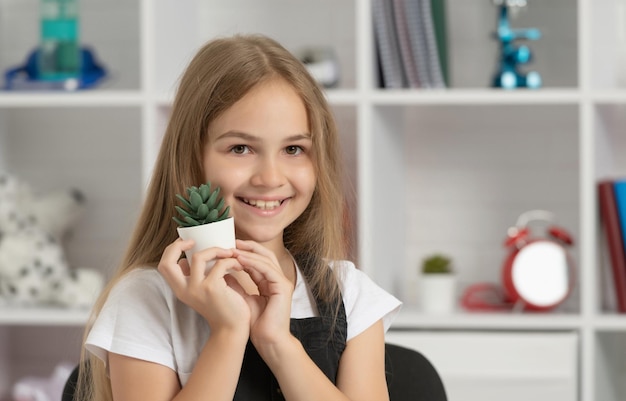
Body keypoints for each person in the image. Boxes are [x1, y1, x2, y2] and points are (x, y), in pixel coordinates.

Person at [79, 34, 401, 401]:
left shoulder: (349, 292)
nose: (270, 177)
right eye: (240, 148)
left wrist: (277, 343)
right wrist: (229, 332)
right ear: (192, 157)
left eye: (294, 149)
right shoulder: (146, 298)